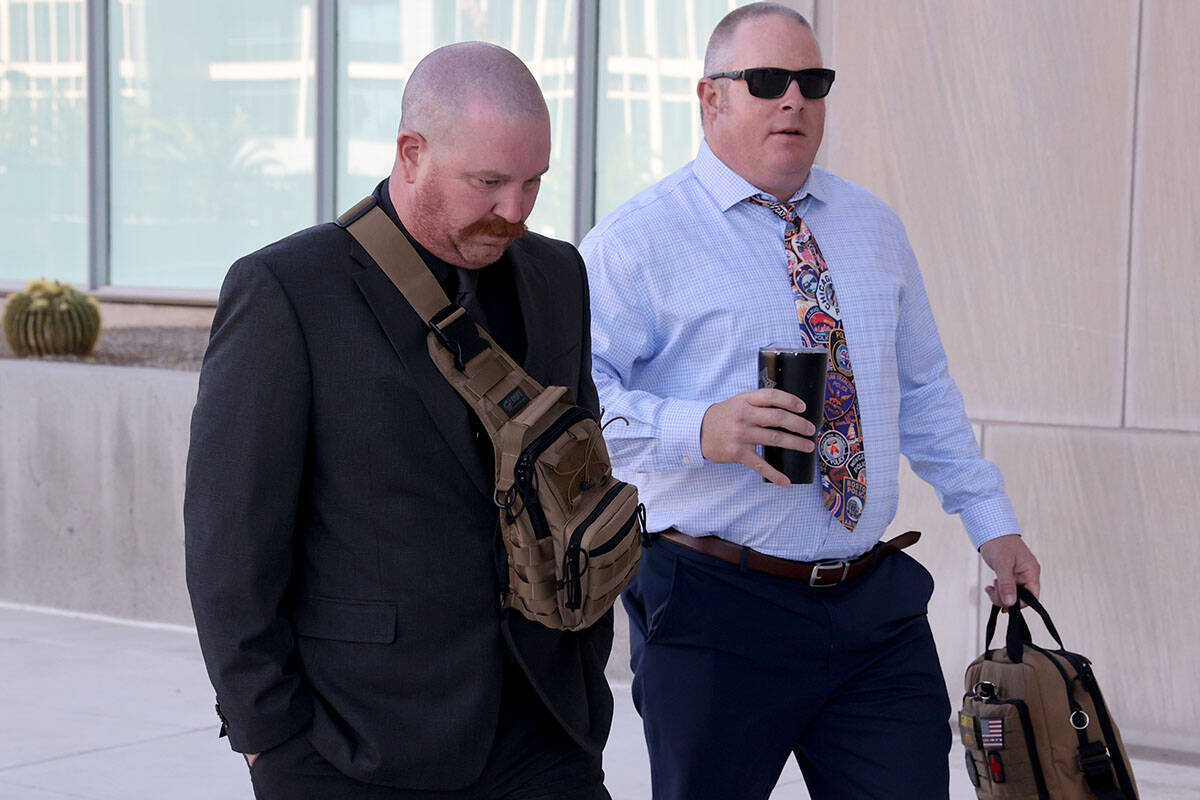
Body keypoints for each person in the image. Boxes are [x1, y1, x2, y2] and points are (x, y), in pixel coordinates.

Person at [580, 4, 1041, 799]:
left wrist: (992, 521)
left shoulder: (872, 227)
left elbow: (924, 387)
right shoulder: (636, 241)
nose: (793, 99)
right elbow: (578, 409)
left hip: (874, 611)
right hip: (715, 609)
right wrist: (699, 429)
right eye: (766, 81)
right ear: (710, 97)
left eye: (812, 81)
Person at [185, 42, 613, 800]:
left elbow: (580, 475)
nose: (514, 211)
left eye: (533, 183)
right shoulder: (286, 291)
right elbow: (230, 550)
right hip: (359, 748)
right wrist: (273, 747)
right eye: (488, 182)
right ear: (410, 154)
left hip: (546, 732)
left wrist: (581, 688)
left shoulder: (559, 275)